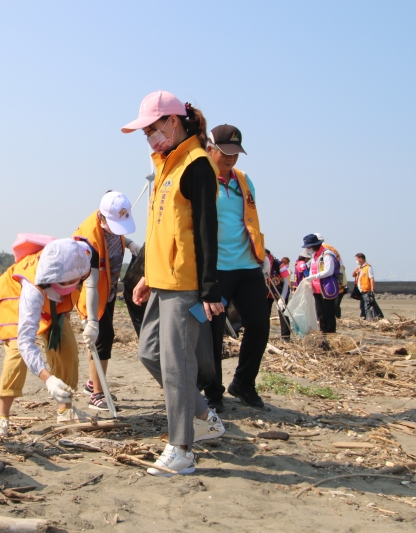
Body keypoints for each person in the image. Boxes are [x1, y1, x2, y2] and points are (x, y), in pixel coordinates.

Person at [123, 91, 225, 476]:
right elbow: (162, 229)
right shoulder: (167, 165)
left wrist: (209, 287)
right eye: (145, 133)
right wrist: (148, 275)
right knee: (150, 353)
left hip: (185, 284)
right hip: (162, 280)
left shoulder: (196, 164)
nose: (150, 138)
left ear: (173, 122)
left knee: (178, 366)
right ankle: (204, 416)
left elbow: (205, 231)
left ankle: (181, 449)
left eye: (153, 129)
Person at [0, 239, 92, 438]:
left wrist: (90, 321)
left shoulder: (80, 257)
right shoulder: (32, 290)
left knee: (67, 348)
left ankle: (65, 409)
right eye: (65, 282)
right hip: (14, 295)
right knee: (16, 352)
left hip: (53, 304)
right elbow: (25, 342)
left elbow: (91, 284)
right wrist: (48, 379)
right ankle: (2, 416)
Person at [200, 124, 270, 412]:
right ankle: (213, 391)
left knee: (260, 324)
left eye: (235, 153)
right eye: (225, 152)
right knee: (212, 332)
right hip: (216, 269)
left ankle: (243, 382)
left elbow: (249, 220)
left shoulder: (244, 180)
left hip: (247, 265)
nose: (231, 158)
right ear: (210, 149)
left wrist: (263, 258)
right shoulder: (202, 179)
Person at [73, 191, 140, 410]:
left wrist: (130, 244)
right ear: (102, 218)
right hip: (91, 293)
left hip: (107, 289)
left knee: (100, 339)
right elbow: (91, 284)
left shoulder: (110, 224)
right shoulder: (89, 241)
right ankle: (97, 395)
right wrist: (92, 321)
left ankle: (93, 383)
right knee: (102, 338)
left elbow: (117, 235)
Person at [300, 233, 340, 333]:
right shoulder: (314, 256)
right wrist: (310, 279)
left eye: (309, 247)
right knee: (320, 313)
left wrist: (314, 277)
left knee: (328, 313)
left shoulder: (327, 254)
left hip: (326, 288)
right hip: (316, 289)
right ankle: (323, 333)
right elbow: (312, 270)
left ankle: (330, 334)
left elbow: (329, 271)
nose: (308, 249)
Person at [314, 234, 346, 318]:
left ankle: (334, 318)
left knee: (328, 306)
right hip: (337, 276)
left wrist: (314, 276)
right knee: (333, 303)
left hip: (328, 280)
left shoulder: (325, 250)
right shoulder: (331, 248)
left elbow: (328, 270)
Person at [264, 251, 292, 341]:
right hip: (267, 292)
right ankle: (264, 336)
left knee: (283, 312)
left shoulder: (279, 265)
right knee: (264, 314)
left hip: (280, 290)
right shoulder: (260, 263)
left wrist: (282, 297)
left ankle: (285, 336)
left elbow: (286, 282)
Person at [352, 253, 384, 320]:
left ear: (361, 259)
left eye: (357, 259)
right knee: (362, 306)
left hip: (366, 290)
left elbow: (371, 278)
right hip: (361, 290)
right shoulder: (360, 268)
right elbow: (353, 275)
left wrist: (372, 289)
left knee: (367, 306)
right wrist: (355, 271)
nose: (356, 261)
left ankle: (368, 318)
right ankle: (363, 317)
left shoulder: (368, 267)